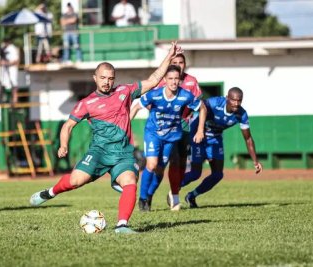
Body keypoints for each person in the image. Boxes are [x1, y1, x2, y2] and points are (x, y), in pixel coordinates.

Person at [30, 42, 183, 234]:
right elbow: (68, 126)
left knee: (130, 182)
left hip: (123, 153)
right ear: (95, 78)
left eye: (111, 78)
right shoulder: (87, 103)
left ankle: (122, 225)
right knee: (76, 181)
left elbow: (153, 80)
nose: (107, 82)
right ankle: (50, 192)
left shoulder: (125, 91)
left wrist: (169, 56)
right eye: (103, 78)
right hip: (99, 152)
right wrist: (63, 145)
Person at [130, 65, 206, 212]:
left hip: (172, 137)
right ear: (164, 80)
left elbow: (202, 107)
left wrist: (200, 130)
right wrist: (124, 129)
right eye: (170, 78)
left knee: (160, 170)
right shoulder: (155, 94)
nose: (174, 82)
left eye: (176, 79)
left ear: (180, 80)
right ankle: (142, 198)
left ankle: (150, 195)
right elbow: (135, 107)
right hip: (153, 134)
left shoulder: (185, 95)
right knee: (151, 164)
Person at [180, 87, 263, 208]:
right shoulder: (215, 103)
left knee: (218, 174)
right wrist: (190, 122)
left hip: (215, 138)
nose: (236, 103)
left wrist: (256, 161)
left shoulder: (242, 114)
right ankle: (174, 190)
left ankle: (191, 196)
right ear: (227, 98)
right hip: (198, 134)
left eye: (239, 100)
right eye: (233, 100)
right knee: (195, 173)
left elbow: (248, 139)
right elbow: (200, 106)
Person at [163, 53, 202, 210]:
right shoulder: (164, 81)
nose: (178, 64)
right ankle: (146, 196)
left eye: (181, 62)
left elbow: (199, 105)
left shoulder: (191, 81)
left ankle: (174, 194)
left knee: (181, 163)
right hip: (165, 128)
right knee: (159, 164)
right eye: (175, 62)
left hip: (185, 126)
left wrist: (196, 122)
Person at [0, 38, 19, 104]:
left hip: (11, 69)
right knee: (2, 83)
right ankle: (1, 98)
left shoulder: (12, 49)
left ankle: (15, 99)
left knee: (13, 84)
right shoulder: (3, 48)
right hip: (5, 69)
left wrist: (6, 63)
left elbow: (15, 61)